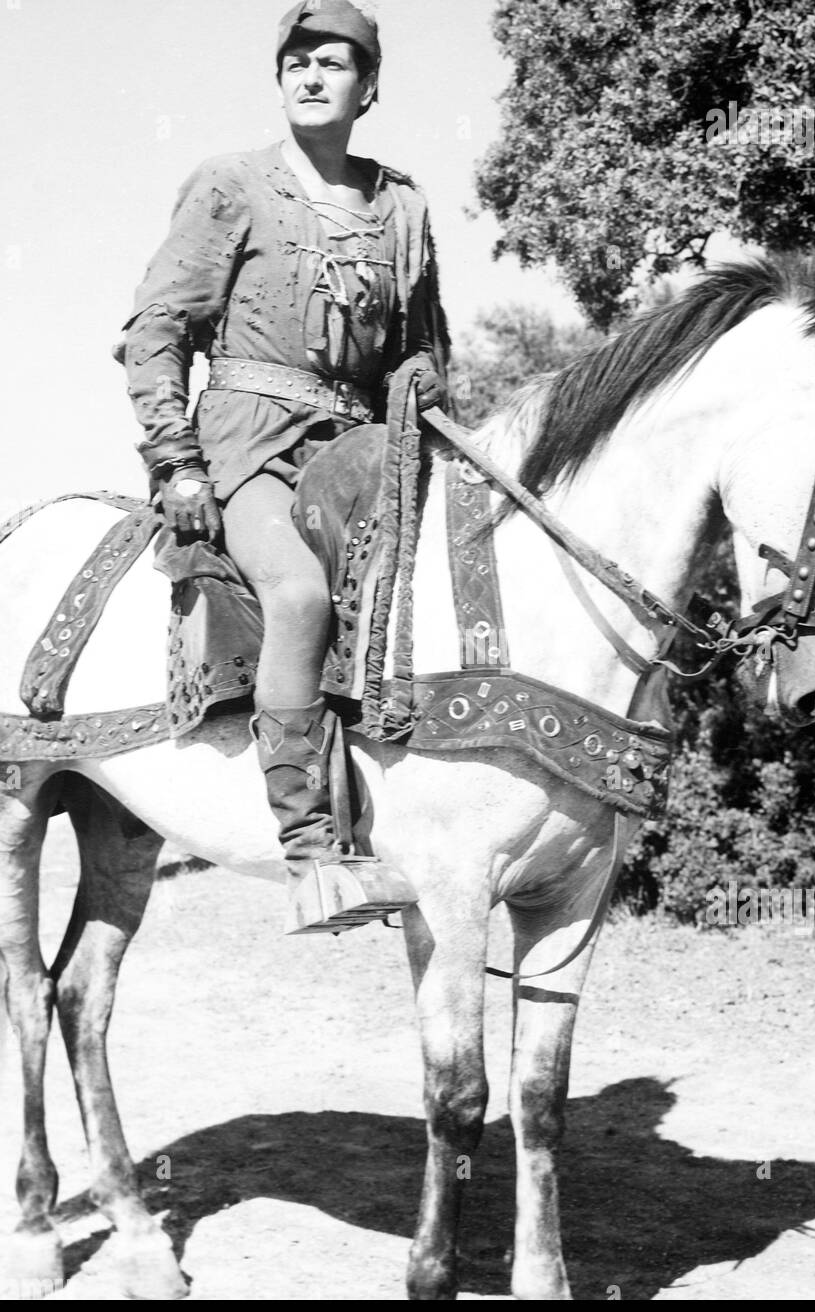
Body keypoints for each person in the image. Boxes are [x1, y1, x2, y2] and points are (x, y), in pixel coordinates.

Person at [117, 1, 450, 929]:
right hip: (248, 437)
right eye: (295, 61)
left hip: (360, 449)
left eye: (332, 62)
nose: (309, 75)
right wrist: (175, 461)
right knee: (301, 598)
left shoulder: (405, 207)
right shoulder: (230, 185)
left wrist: (421, 376)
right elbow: (155, 332)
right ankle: (313, 855)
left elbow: (426, 348)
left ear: (367, 85)